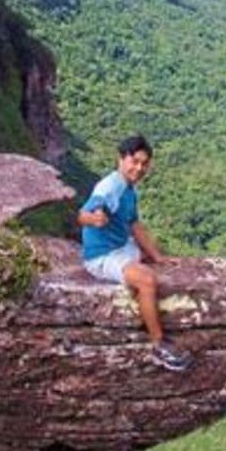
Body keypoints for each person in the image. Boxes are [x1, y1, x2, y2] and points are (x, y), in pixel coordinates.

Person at [78, 135, 194, 372]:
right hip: (103, 256)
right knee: (147, 280)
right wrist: (94, 218)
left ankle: (140, 301)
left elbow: (134, 224)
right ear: (121, 159)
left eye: (144, 164)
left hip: (122, 246)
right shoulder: (109, 187)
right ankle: (159, 344)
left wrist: (157, 255)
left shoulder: (129, 189)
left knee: (148, 266)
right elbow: (82, 215)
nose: (139, 168)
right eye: (134, 161)